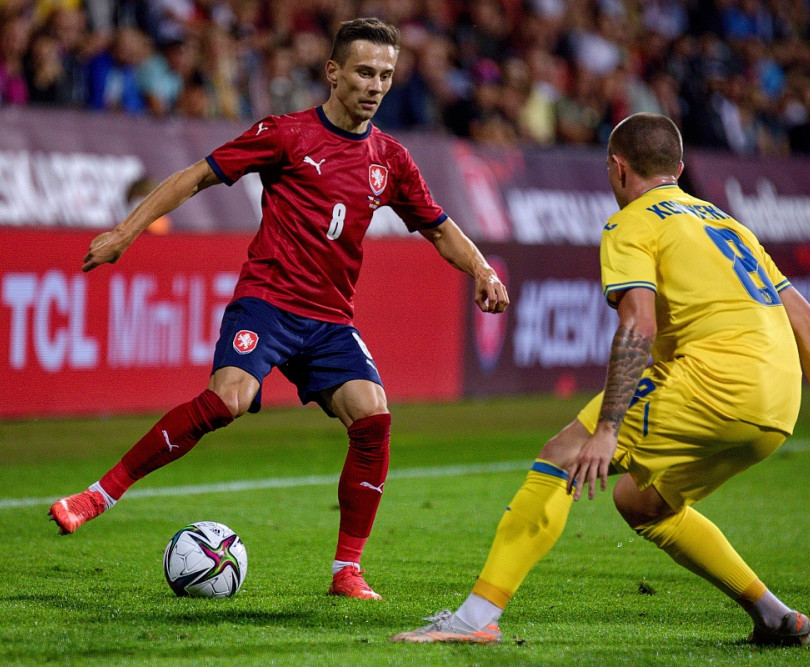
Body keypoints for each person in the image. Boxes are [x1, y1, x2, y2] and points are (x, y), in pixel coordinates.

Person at [48, 17, 510, 601]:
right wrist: (124, 233)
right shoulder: (287, 135)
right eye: (364, 72)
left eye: (386, 76)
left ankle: (347, 570)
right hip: (267, 303)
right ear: (333, 72)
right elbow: (195, 178)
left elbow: (439, 228)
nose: (375, 86)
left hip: (330, 319)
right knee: (227, 400)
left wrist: (482, 270)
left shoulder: (390, 159)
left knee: (373, 418)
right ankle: (99, 495)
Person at [392, 112, 810, 644]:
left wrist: (608, 428)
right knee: (644, 504)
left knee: (562, 456)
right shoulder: (728, 224)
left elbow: (639, 322)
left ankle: (473, 621)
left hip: (714, 384)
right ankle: (775, 616)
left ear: (617, 168)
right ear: (679, 169)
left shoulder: (633, 221)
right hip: (779, 407)